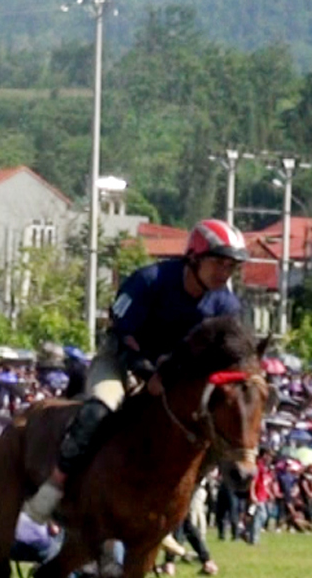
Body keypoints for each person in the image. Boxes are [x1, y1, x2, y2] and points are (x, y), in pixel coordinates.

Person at [22, 219, 248, 523]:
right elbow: (124, 335)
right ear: (194, 257)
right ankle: (55, 484)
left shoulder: (226, 305)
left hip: (173, 376)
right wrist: (145, 373)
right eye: (218, 263)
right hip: (121, 359)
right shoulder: (149, 280)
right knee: (100, 410)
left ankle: (182, 494)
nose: (224, 273)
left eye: (231, 266)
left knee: (210, 428)